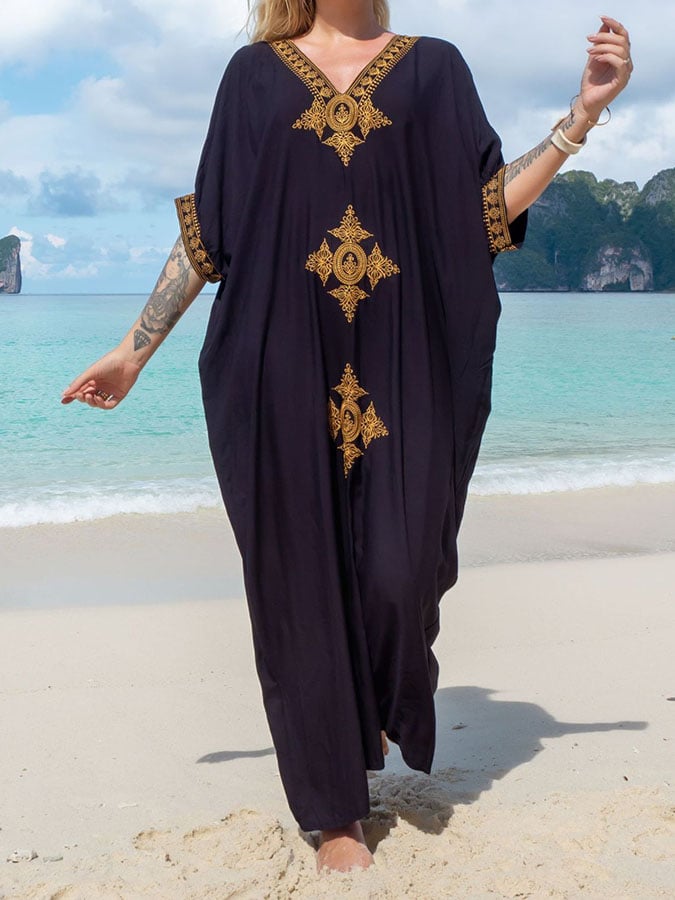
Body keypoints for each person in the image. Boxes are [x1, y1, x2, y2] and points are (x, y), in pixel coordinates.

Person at [61, 0, 632, 874]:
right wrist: (133, 351)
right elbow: (209, 228)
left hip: (409, 362)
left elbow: (482, 212)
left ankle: (366, 706)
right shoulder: (253, 76)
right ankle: (334, 815)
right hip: (276, 361)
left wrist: (581, 115)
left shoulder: (435, 68)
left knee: (401, 572)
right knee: (296, 582)